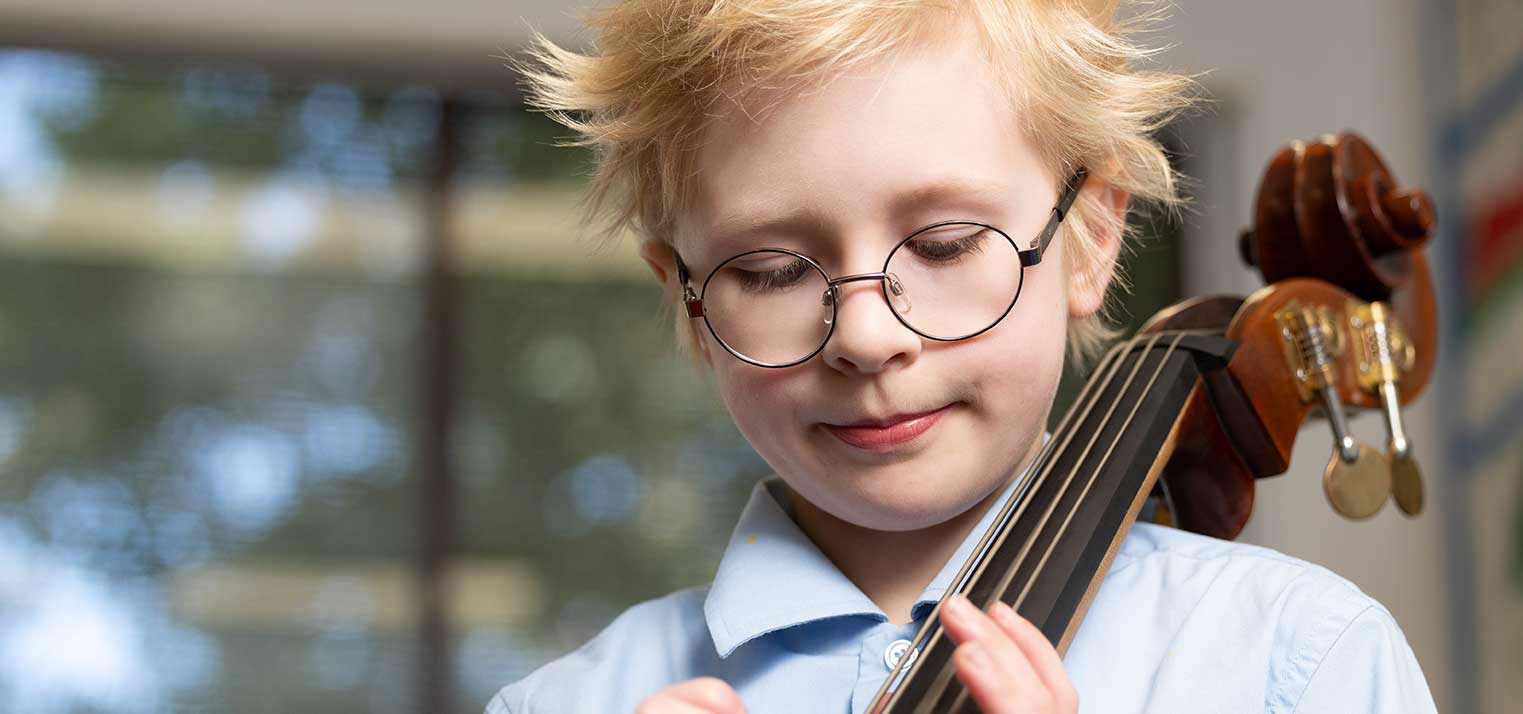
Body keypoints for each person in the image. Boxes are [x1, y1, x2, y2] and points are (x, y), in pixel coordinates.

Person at [491, 1, 1437, 712]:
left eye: (945, 246)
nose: (866, 338)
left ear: (1093, 241)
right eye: (774, 271)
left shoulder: (1299, 660)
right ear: (686, 300)